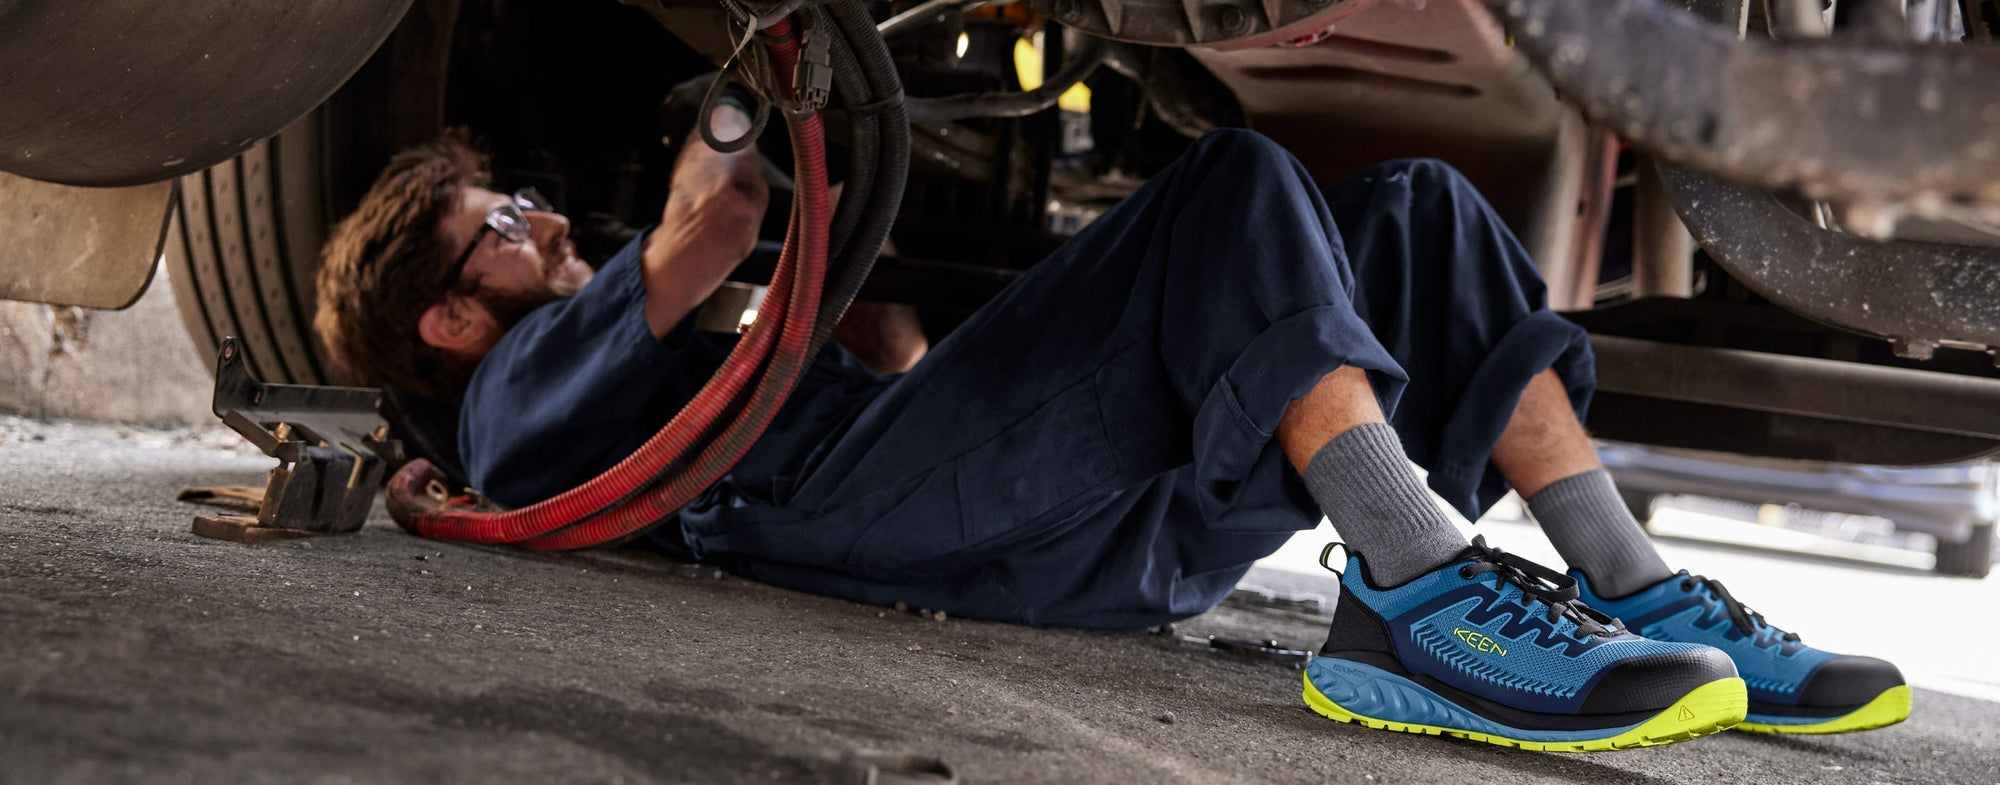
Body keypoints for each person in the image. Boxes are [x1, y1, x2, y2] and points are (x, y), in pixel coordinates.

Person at [313, 101, 1908, 750]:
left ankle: (1632, 590)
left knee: (1414, 215)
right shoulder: (516, 398)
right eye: (496, 220)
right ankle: (1422, 596)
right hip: (889, 519)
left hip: (1001, 508)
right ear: (451, 316)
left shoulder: (593, 384)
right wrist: (742, 98)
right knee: (1227, 187)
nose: (532, 217)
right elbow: (717, 221)